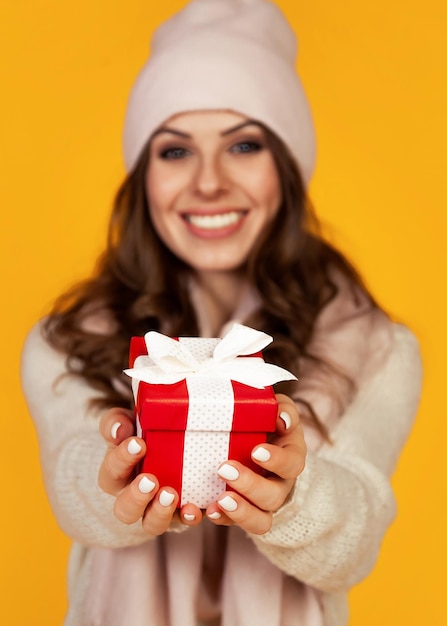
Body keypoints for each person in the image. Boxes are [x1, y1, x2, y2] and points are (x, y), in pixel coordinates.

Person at [21, 1, 422, 625]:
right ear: (142, 175)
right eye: (175, 152)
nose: (208, 182)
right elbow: (71, 477)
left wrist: (294, 496)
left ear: (286, 170)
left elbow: (359, 531)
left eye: (243, 145)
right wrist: (115, 477)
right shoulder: (69, 339)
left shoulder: (374, 347)